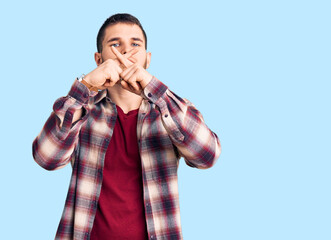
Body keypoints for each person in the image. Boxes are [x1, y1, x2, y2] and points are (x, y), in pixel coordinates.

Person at [32, 13, 221, 240]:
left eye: (135, 44)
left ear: (147, 58)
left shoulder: (170, 110)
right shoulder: (81, 110)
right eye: (115, 44)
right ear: (99, 60)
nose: (125, 51)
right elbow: (46, 158)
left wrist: (156, 89)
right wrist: (85, 86)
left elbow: (207, 156)